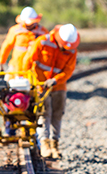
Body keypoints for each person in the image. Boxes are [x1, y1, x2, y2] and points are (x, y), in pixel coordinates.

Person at [21, 23, 80, 159]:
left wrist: (55, 80)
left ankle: (55, 145)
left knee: (57, 114)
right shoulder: (42, 42)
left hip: (58, 86)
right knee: (44, 113)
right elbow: (28, 61)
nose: (65, 49)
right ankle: (44, 144)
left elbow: (68, 70)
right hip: (40, 85)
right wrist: (28, 81)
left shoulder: (72, 49)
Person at [0, 6, 49, 75]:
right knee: (9, 82)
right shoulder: (15, 30)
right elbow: (6, 46)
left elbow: (48, 50)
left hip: (35, 68)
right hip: (16, 66)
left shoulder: (43, 32)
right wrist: (0, 63)